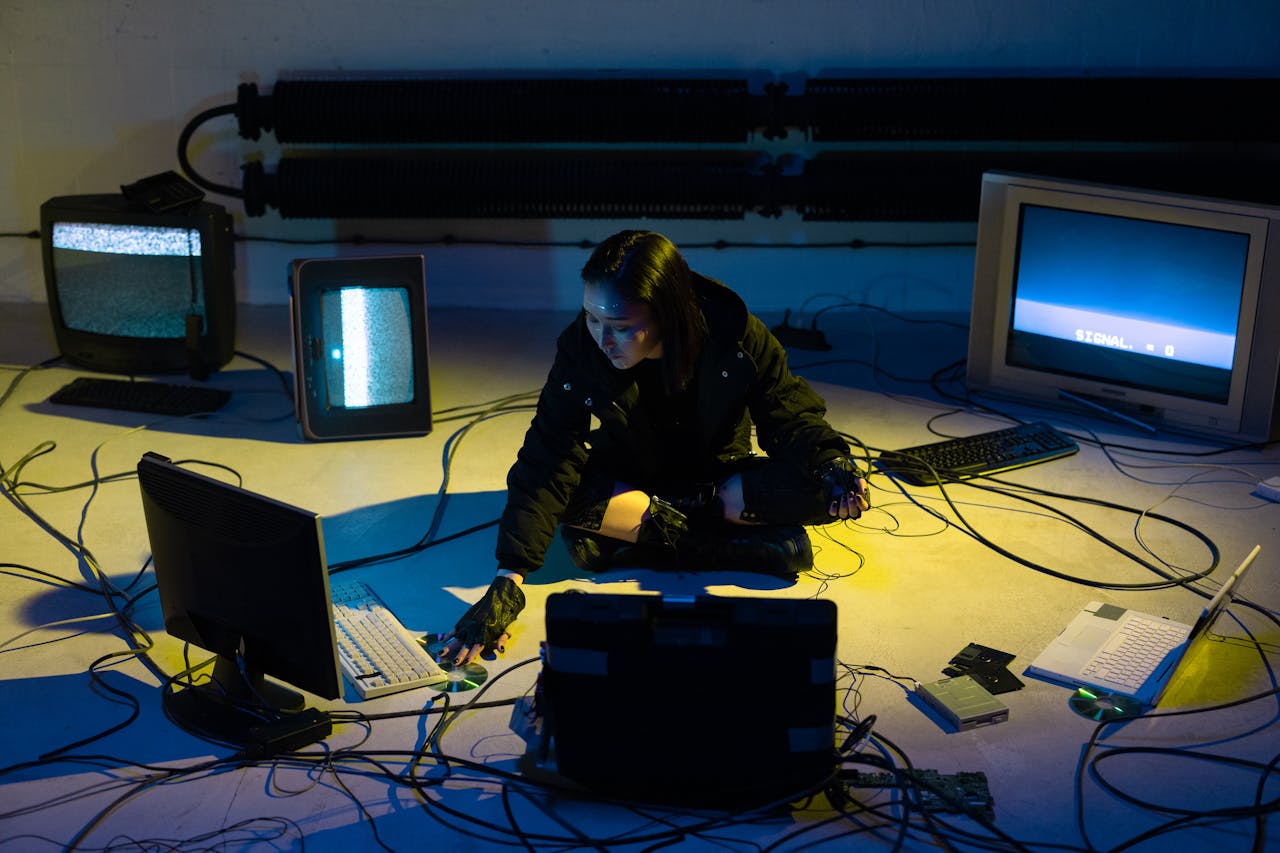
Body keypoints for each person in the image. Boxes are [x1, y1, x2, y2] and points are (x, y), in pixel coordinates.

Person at [442, 230, 869, 665]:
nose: (602, 340)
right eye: (592, 319)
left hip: (718, 479)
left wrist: (828, 460)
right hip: (632, 480)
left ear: (667, 314)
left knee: (821, 489)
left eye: (621, 327)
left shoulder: (734, 335)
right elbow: (549, 452)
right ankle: (733, 544)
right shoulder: (581, 349)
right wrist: (508, 578)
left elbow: (787, 411)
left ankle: (638, 541)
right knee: (562, 492)